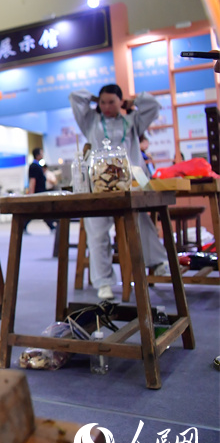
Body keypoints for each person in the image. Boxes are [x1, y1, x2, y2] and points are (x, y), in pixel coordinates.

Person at [70, 84, 170, 301]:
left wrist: (131, 103)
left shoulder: (133, 121)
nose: (106, 106)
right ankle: (103, 282)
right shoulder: (90, 121)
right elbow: (75, 97)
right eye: (103, 102)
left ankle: (157, 262)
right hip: (100, 181)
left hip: (133, 179)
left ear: (120, 102)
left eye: (111, 102)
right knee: (96, 227)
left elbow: (153, 104)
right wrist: (95, 98)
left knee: (142, 218)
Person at [24, 148, 56, 233]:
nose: (42, 155)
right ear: (37, 155)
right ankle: (52, 226)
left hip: (41, 192)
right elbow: (32, 181)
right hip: (38, 193)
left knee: (39, 211)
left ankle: (51, 226)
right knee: (37, 211)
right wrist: (31, 194)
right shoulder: (34, 166)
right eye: (41, 153)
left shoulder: (37, 166)